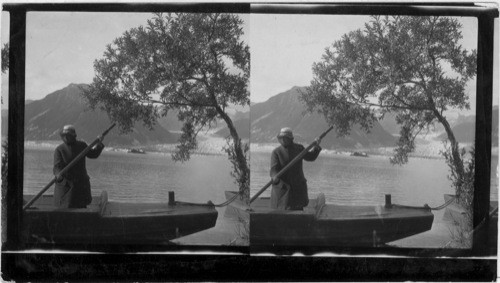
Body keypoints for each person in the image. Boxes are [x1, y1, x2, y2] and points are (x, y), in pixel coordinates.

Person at [53, 125, 105, 208]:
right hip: (66, 188)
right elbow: (56, 167)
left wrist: (99, 143)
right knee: (66, 207)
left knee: (81, 207)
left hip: (81, 186)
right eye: (64, 136)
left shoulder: (82, 145)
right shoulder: (59, 149)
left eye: (68, 135)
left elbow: (93, 154)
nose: (66, 137)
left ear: (73, 135)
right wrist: (58, 174)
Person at [270, 127, 322, 210]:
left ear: (291, 138)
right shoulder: (276, 152)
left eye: (285, 138)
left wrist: (316, 146)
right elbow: (273, 170)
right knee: (282, 211)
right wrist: (275, 177)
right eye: (281, 138)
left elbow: (311, 157)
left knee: (298, 210)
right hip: (283, 191)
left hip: (298, 190)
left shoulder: (299, 148)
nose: (283, 140)